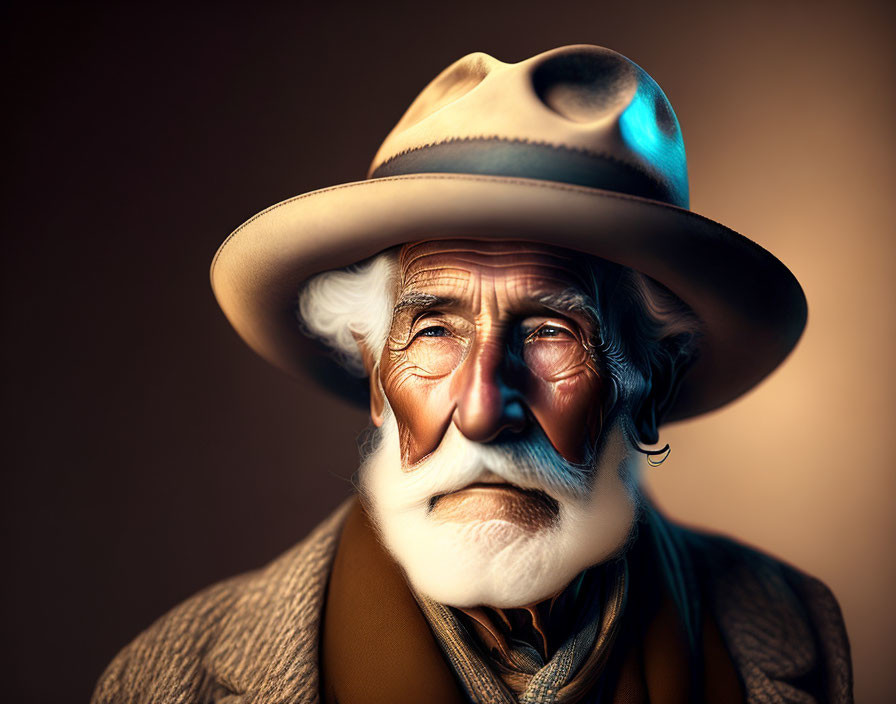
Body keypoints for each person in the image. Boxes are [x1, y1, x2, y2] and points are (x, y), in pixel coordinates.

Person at [92, 45, 852, 703]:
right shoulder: (168, 676)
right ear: (374, 378)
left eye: (552, 331)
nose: (485, 409)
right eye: (433, 331)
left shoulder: (794, 629)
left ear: (652, 380)